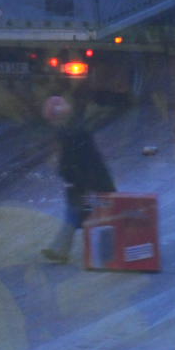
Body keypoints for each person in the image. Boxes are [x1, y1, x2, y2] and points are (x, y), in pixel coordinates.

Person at [41, 94, 115, 263]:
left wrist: (79, 182)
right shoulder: (73, 132)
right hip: (85, 182)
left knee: (76, 215)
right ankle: (60, 249)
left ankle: (60, 250)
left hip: (86, 184)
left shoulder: (70, 135)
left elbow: (75, 162)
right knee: (77, 216)